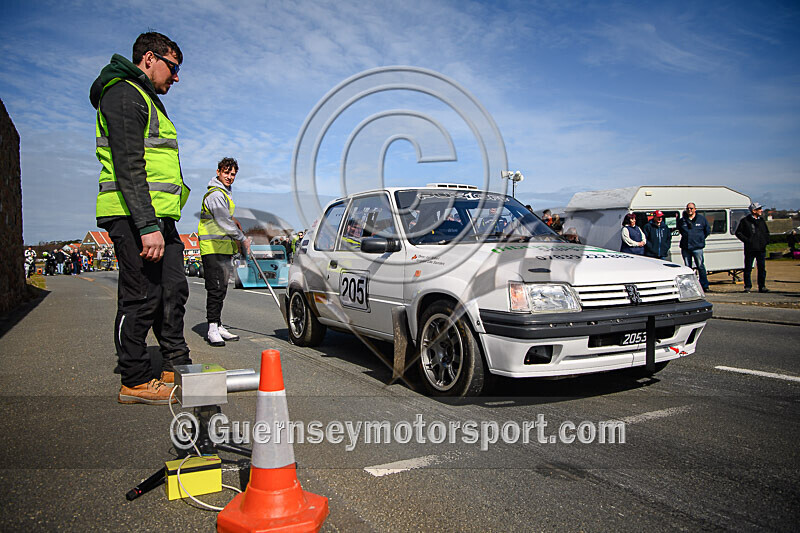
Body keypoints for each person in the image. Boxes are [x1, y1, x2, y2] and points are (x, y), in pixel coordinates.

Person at [90, 31, 191, 404]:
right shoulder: (122, 93)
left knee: (173, 290)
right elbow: (129, 165)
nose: (176, 77)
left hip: (160, 216)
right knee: (141, 297)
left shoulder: (146, 96)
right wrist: (147, 226)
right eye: (173, 67)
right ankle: (133, 379)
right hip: (134, 216)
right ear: (149, 59)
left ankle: (174, 362)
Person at [198, 157, 251, 346]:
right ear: (219, 171)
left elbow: (226, 218)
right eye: (227, 173)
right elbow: (222, 222)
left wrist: (234, 220)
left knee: (222, 288)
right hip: (212, 248)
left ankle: (218, 324)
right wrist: (243, 238)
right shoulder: (215, 194)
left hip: (222, 248)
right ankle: (212, 328)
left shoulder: (225, 194)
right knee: (215, 288)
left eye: (233, 174)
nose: (230, 177)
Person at [735, 202, 770, 293]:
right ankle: (747, 286)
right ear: (753, 211)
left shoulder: (761, 221)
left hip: (761, 249)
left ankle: (762, 286)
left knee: (762, 268)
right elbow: (738, 233)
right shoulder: (745, 221)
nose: (761, 211)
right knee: (748, 268)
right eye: (759, 209)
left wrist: (765, 242)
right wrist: (748, 241)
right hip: (750, 249)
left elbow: (766, 232)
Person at [678, 202, 711, 291]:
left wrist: (700, 239)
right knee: (687, 267)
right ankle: (689, 287)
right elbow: (681, 230)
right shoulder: (682, 220)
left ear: (695, 209)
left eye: (691, 208)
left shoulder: (701, 219)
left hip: (697, 247)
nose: (689, 210)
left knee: (700, 266)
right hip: (686, 247)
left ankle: (704, 285)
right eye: (688, 208)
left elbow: (707, 231)